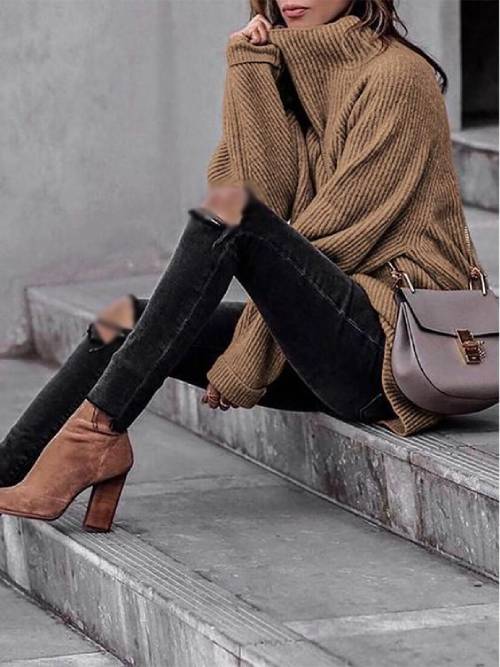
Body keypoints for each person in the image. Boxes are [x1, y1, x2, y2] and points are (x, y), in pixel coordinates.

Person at [0, 0, 480, 531]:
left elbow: (338, 236)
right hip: (317, 343)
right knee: (120, 320)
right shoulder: (285, 68)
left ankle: (96, 437)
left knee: (232, 217)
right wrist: (249, 72)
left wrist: (247, 348)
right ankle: (9, 466)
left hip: (387, 352)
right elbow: (256, 195)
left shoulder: (398, 77)